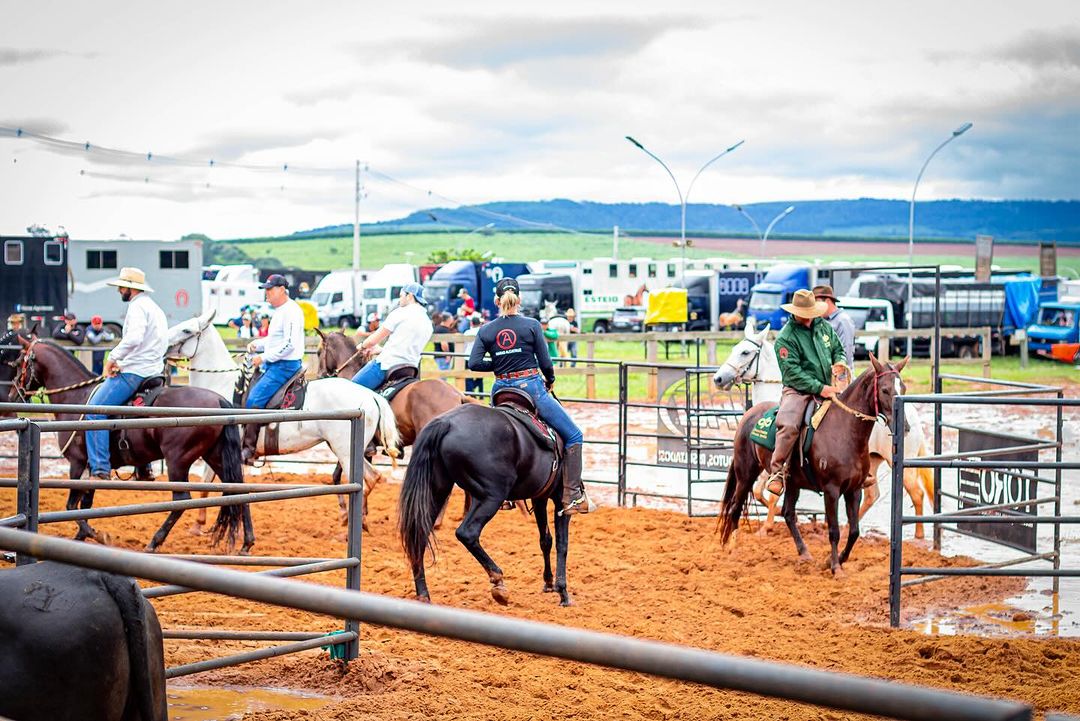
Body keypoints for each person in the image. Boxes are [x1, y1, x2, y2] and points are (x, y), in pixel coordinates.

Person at [467, 277, 591, 515]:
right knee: (574, 435)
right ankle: (573, 495)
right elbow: (545, 362)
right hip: (530, 387)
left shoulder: (486, 330)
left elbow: (473, 363)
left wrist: (498, 364)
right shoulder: (532, 325)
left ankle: (499, 495)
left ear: (496, 300)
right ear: (519, 299)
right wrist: (550, 380)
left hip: (501, 390)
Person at [84, 268, 168, 481]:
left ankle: (100, 468)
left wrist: (113, 358)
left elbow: (134, 338)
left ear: (130, 288)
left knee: (94, 411)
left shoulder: (137, 307)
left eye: (121, 286)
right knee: (138, 415)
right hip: (154, 371)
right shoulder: (155, 308)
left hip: (135, 372)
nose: (119, 290)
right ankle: (144, 468)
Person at [764, 289, 846, 497]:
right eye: (806, 312)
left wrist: (840, 362)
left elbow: (838, 348)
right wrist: (820, 388)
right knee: (789, 424)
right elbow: (792, 373)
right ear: (796, 312)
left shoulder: (824, 327)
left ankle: (854, 466)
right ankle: (777, 471)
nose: (810, 316)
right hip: (797, 391)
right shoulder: (786, 337)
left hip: (828, 386)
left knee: (850, 418)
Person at [243, 275, 306, 463]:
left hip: (284, 366)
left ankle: (248, 449)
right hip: (277, 363)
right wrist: (259, 344)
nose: (266, 293)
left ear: (281, 289)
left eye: (269, 289)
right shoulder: (281, 310)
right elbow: (276, 340)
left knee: (254, 400)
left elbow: (289, 344)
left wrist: (263, 357)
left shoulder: (291, 311)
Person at [351, 282, 434, 390]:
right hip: (411, 368)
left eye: (401, 296)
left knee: (353, 388)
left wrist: (360, 347)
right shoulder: (427, 323)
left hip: (388, 365)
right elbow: (405, 348)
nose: (399, 300)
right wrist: (380, 350)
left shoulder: (400, 313)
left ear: (409, 296)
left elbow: (372, 341)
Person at [813, 285, 855, 368]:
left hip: (840, 375)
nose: (815, 308)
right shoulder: (821, 320)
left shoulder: (843, 321)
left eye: (817, 304)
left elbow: (845, 352)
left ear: (827, 301)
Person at [463, 313, 484, 395]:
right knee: (480, 377)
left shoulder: (467, 332)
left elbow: (464, 344)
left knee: (468, 377)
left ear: (471, 323)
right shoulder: (482, 331)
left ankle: (470, 393)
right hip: (481, 356)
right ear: (479, 323)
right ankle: (481, 393)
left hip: (468, 356)